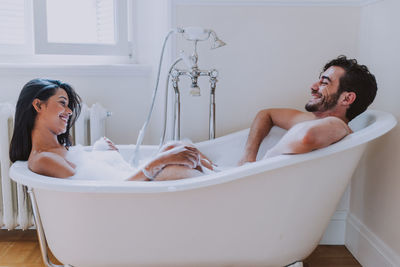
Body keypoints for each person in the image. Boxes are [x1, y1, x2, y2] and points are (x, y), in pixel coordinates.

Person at [9, 79, 213, 181]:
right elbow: (105, 190)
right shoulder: (42, 159)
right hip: (126, 195)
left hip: (127, 186)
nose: (69, 111)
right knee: (176, 168)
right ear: (38, 106)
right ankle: (224, 183)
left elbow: (94, 175)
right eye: (62, 103)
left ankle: (224, 175)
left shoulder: (62, 150)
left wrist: (105, 156)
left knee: (179, 146)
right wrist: (161, 161)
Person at [238, 55, 377, 165]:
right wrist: (248, 158)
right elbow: (266, 115)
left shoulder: (339, 126)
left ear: (346, 99)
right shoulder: (312, 120)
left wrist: (261, 166)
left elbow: (307, 136)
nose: (313, 86)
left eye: (324, 83)